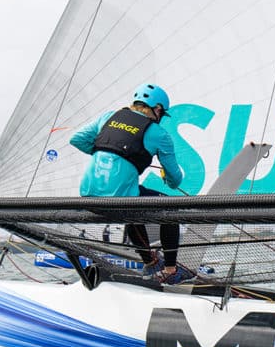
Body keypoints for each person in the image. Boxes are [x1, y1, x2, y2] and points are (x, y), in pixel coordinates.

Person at [70, 83, 187, 284]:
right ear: (157, 109)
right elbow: (175, 181)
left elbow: (76, 139)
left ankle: (150, 262)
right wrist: (166, 177)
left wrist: (109, 151)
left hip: (88, 195)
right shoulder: (158, 133)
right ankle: (170, 269)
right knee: (170, 208)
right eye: (161, 113)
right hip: (121, 201)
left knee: (134, 198)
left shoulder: (108, 117)